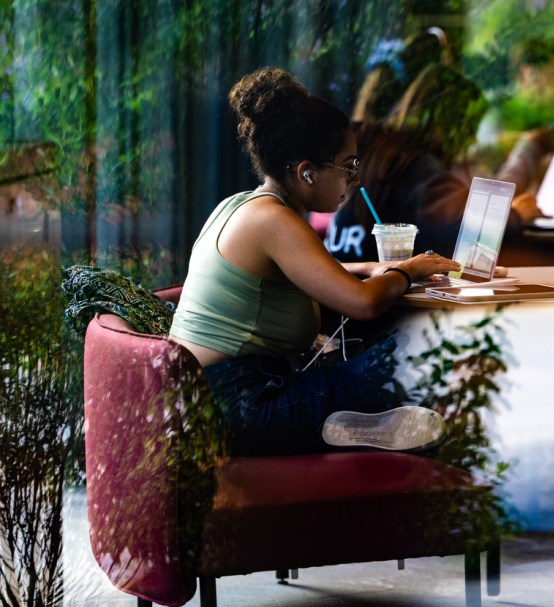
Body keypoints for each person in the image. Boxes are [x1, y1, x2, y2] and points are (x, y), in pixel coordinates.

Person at [167, 66, 462, 457]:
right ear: (307, 172)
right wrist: (406, 270)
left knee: (392, 361)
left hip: (217, 405)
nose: (356, 180)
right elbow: (363, 303)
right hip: (245, 411)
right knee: (412, 353)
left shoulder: (243, 206)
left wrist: (374, 270)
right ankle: (337, 423)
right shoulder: (274, 221)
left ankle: (342, 423)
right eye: (349, 166)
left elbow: (318, 274)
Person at [324, 63, 552, 263]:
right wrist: (516, 216)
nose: (471, 140)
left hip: (337, 280)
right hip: (379, 292)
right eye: (469, 128)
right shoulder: (418, 166)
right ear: (451, 126)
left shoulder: (370, 141)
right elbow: (462, 230)